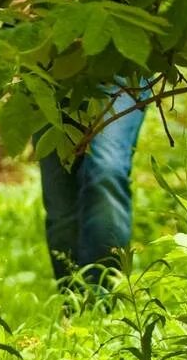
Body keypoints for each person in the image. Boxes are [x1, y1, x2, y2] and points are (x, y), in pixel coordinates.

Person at [41, 89, 146, 299]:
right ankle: (74, 308)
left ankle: (103, 302)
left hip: (120, 74)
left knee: (106, 171)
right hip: (48, 74)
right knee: (61, 203)